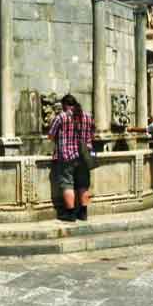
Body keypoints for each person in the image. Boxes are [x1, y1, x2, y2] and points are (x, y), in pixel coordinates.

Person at [49, 94, 95, 222]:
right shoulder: (88, 116)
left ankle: (70, 214)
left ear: (64, 105)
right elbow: (93, 136)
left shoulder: (61, 117)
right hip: (84, 156)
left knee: (67, 183)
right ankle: (83, 213)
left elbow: (51, 136)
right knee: (83, 184)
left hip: (67, 155)